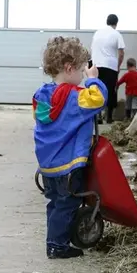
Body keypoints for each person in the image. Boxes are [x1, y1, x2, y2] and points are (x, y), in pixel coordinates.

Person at [33, 36, 108, 259]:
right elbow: (100, 99)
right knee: (68, 203)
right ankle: (57, 246)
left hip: (48, 165)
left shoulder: (41, 96)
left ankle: (53, 240)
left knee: (55, 203)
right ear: (69, 68)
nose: (83, 75)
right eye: (81, 70)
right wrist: (93, 80)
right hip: (69, 164)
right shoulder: (76, 97)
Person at [91, 14, 124, 124]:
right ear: (116, 23)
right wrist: (118, 66)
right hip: (110, 66)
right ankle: (109, 116)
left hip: (96, 65)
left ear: (107, 21)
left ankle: (98, 116)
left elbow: (92, 49)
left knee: (97, 90)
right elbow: (121, 53)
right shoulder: (117, 34)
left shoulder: (97, 33)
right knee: (110, 91)